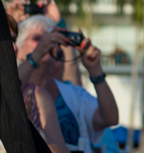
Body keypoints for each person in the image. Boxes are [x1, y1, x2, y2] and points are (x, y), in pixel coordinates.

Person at [16, 16, 119, 151]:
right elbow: (10, 90)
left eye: (51, 38)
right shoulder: (16, 91)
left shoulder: (73, 94)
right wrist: (36, 54)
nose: (46, 42)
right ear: (18, 50)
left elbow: (110, 118)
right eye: (37, 38)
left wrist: (95, 70)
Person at [6, 14, 67, 153]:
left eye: (14, 40)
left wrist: (33, 133)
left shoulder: (37, 95)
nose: (13, 47)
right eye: (3, 40)